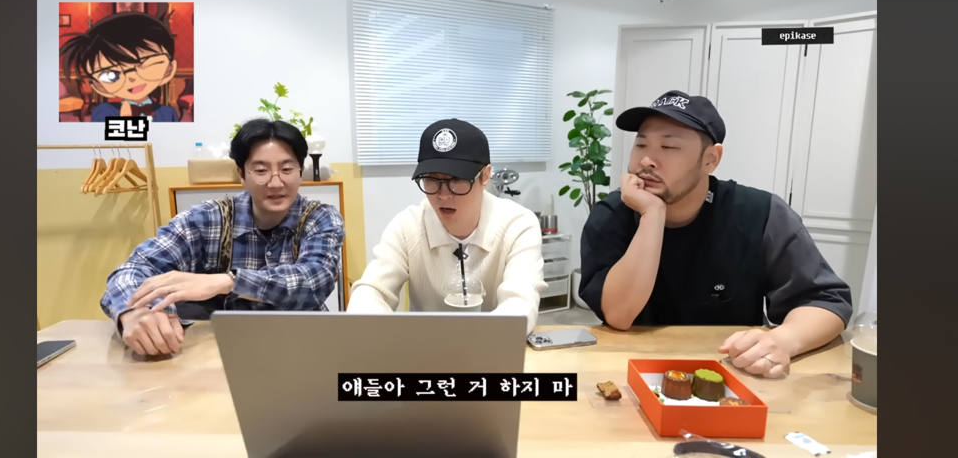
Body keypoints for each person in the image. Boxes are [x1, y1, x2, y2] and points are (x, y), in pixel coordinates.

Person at [578, 90, 853, 378]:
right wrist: (652, 214)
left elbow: (825, 300)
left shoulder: (759, 213)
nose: (646, 160)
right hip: (631, 370)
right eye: (641, 144)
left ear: (710, 159)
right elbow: (619, 315)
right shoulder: (612, 215)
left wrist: (784, 340)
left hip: (732, 372)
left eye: (668, 146)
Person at [100, 117, 346, 356]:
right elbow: (133, 269)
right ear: (241, 173)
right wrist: (135, 312)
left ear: (300, 171)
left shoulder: (319, 218)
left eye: (287, 169)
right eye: (261, 170)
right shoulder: (208, 219)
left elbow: (315, 279)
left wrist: (227, 281)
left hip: (300, 349)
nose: (275, 182)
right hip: (216, 355)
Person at [346, 119, 546, 335]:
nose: (443, 194)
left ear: (485, 176)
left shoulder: (518, 225)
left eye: (456, 180)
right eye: (431, 179)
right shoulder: (407, 226)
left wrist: (484, 341)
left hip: (492, 348)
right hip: (422, 349)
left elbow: (520, 303)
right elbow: (372, 291)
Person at [60, 8, 181, 122]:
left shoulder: (168, 113)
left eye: (146, 65)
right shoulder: (103, 112)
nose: (131, 78)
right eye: (111, 75)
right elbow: (100, 137)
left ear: (169, 69)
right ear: (99, 86)